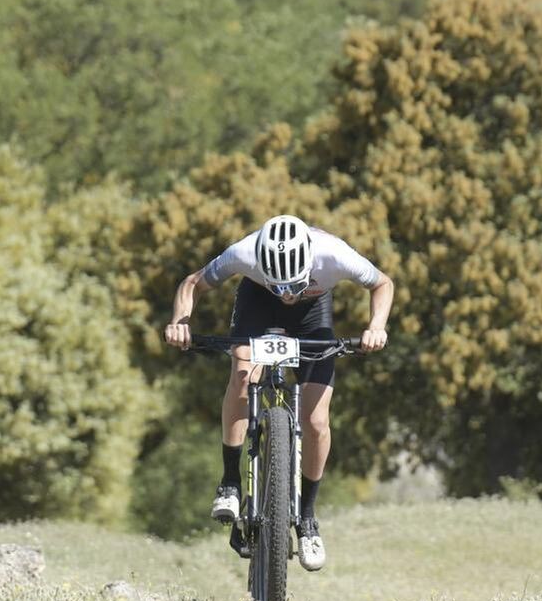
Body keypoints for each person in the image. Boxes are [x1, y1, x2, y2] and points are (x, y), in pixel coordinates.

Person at [163, 214, 393, 571]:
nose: (287, 294)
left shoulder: (335, 255)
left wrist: (376, 326)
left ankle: (307, 519)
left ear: (310, 264)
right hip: (259, 307)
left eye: (294, 285)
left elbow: (383, 284)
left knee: (316, 421)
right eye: (280, 285)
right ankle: (229, 483)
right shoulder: (244, 253)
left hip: (312, 316)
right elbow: (192, 283)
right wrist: (181, 322)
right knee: (241, 375)